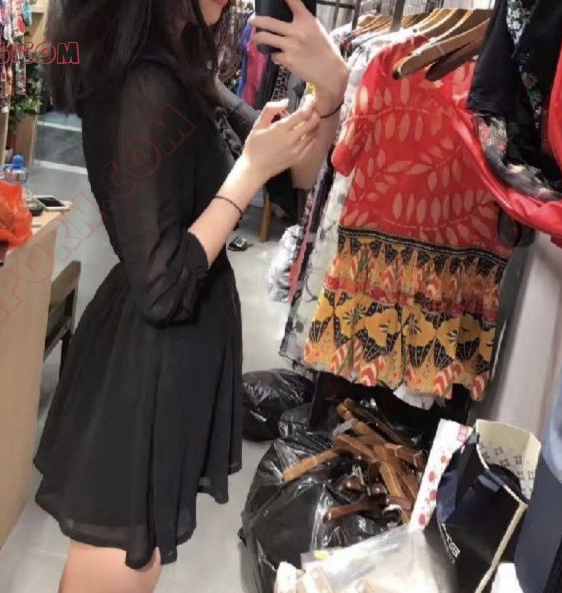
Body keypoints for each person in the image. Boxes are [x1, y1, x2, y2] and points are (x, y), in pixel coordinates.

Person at [34, 0, 349, 591]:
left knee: (138, 558)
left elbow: (296, 179)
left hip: (173, 359)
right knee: (120, 561)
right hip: (145, 365)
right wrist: (247, 173)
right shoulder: (143, 82)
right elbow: (161, 283)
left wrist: (331, 90)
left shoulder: (182, 66)